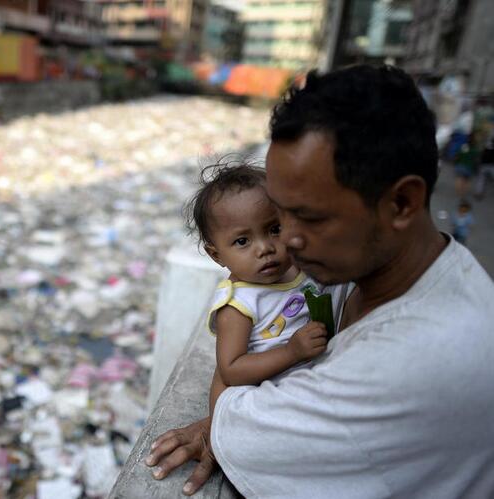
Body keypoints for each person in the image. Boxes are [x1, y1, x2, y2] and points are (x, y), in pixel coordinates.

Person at [145, 65, 494, 497]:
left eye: (308, 216)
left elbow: (238, 433)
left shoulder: (406, 363)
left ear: (402, 202)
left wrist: (222, 404)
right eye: (281, 213)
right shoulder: (411, 269)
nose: (286, 240)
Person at [183, 164, 348, 421]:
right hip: (265, 394)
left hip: (309, 376)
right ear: (216, 255)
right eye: (242, 241)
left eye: (274, 229)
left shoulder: (299, 267)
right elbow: (231, 370)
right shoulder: (238, 305)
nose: (265, 248)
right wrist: (291, 352)